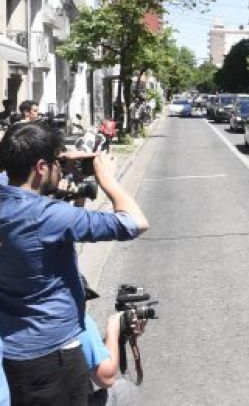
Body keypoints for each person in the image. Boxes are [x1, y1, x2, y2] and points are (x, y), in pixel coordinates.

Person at [0, 122, 149, 405]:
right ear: (41, 167)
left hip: (16, 349)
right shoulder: (48, 217)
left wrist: (64, 159)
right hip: (55, 356)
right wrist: (108, 179)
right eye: (57, 162)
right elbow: (136, 223)